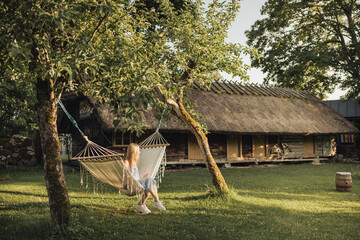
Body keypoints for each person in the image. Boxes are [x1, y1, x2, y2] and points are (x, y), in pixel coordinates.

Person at [124, 143, 166, 214]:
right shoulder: (127, 162)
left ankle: (141, 204)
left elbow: (136, 176)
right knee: (149, 182)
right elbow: (125, 175)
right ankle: (156, 201)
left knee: (150, 187)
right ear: (134, 152)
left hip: (137, 182)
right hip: (131, 185)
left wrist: (143, 178)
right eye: (138, 151)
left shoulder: (134, 162)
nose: (140, 152)